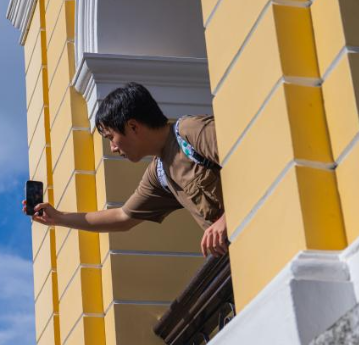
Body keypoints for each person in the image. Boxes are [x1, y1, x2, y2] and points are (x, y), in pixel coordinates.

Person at [26, 82, 227, 259]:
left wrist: (227, 219)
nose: (113, 148)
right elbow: (122, 217)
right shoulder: (159, 173)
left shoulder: (191, 131)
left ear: (132, 126)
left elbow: (251, 153)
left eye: (111, 137)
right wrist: (59, 218)